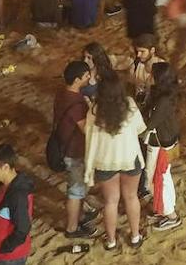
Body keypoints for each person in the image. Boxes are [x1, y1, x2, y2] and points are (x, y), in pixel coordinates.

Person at [84, 71, 147, 250]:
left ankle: (111, 240)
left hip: (105, 162)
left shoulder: (95, 111)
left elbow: (89, 141)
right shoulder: (130, 105)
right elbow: (141, 128)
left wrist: (89, 170)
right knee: (131, 197)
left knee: (110, 202)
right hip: (129, 159)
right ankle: (135, 236)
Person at [52, 60, 96, 239]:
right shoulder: (76, 104)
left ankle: (82, 214)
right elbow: (86, 129)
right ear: (78, 79)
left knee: (78, 188)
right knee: (75, 191)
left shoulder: (62, 94)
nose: (89, 77)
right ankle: (72, 228)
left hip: (66, 146)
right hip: (75, 151)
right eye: (86, 75)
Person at [142, 62, 182, 231]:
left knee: (157, 178)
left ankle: (171, 215)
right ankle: (162, 208)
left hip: (160, 144)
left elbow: (150, 123)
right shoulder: (166, 95)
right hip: (168, 141)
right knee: (163, 177)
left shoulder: (163, 100)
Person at [0, 143, 34, 265]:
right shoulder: (4, 186)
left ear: (5, 167)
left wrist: (3, 247)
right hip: (2, 254)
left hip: (9, 257)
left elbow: (23, 228)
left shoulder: (17, 194)